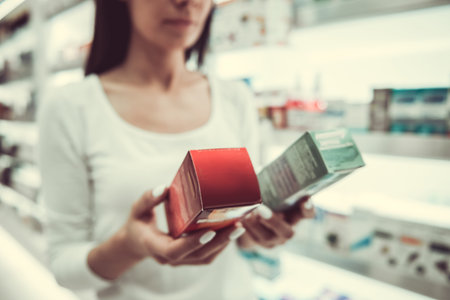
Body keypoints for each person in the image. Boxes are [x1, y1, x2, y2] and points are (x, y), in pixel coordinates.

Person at [38, 0, 315, 299]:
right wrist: (130, 245)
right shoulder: (70, 108)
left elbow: (240, 237)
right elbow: (64, 265)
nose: (189, 2)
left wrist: (265, 230)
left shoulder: (236, 99)